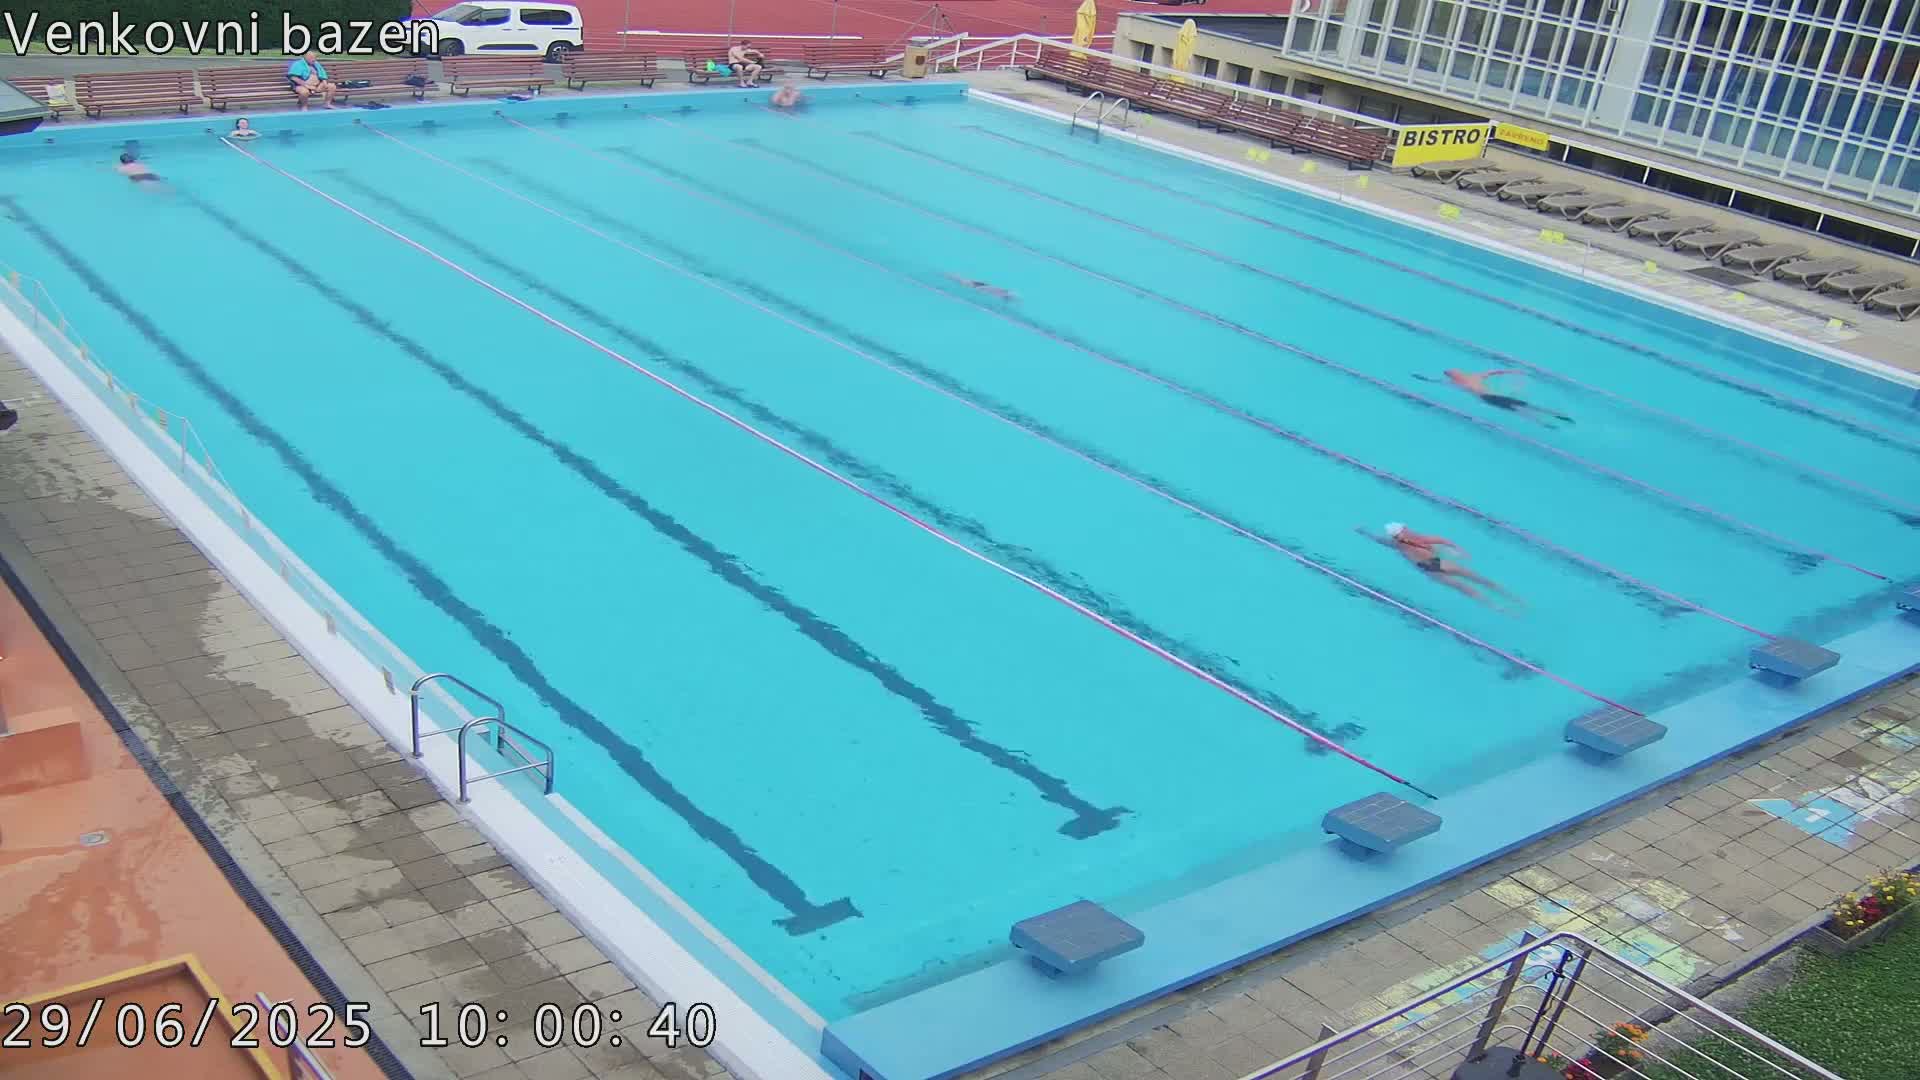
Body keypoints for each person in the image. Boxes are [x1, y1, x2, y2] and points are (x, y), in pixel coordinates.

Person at [1364, 522, 1520, 608]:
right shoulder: (1401, 543)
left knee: (1473, 581)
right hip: (1431, 567)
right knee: (1466, 585)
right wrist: (1365, 533)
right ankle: (1497, 604)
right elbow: (1380, 540)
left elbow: (1440, 539)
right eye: (1404, 530)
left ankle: (1506, 599)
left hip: (1433, 565)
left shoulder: (1406, 541)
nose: (1406, 531)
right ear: (1402, 532)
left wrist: (1458, 550)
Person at [1416, 368, 1572, 428]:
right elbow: (1493, 372)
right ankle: (1550, 418)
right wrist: (1511, 371)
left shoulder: (1462, 381)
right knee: (1523, 407)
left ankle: (1546, 420)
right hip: (1491, 396)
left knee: (1519, 409)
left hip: (1488, 398)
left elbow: (1493, 372)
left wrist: (1510, 371)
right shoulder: (1472, 376)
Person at [947, 274, 1016, 302]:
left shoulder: (1000, 292)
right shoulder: (1000, 293)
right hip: (980, 286)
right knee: (964, 282)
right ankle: (952, 277)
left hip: (981, 286)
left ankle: (952, 277)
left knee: (963, 281)